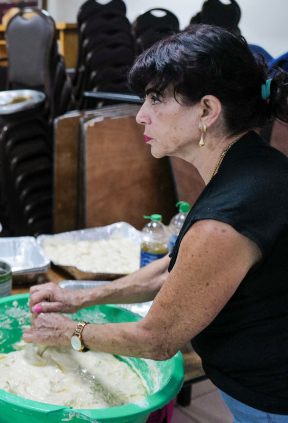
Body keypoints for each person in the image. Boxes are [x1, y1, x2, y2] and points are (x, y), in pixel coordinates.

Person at [25, 25, 288, 421]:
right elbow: (182, 271)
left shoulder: (228, 215)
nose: (140, 116)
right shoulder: (256, 166)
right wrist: (83, 297)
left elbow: (156, 339)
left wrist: (69, 332)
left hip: (271, 400)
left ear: (206, 110)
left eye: (154, 99)